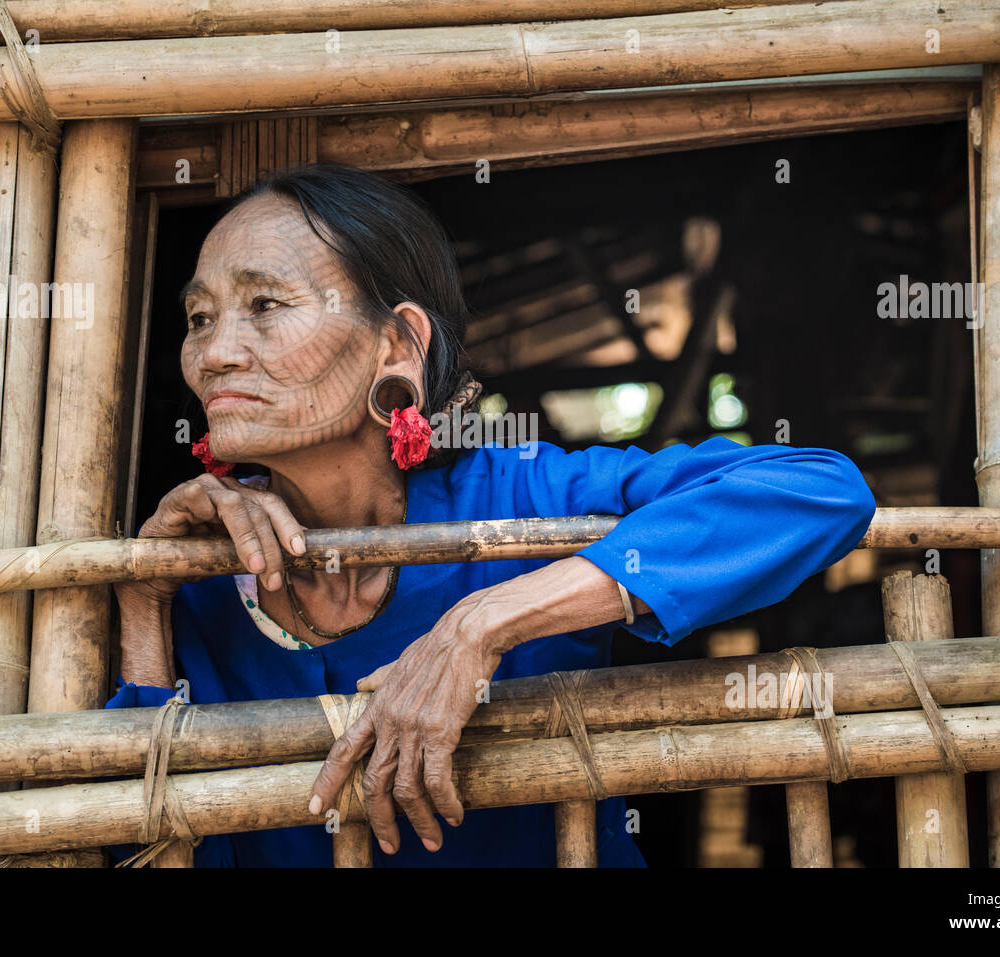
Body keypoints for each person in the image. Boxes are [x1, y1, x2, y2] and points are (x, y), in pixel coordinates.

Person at [107, 162, 876, 867]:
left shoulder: (525, 502)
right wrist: (145, 597)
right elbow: (141, 851)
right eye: (200, 317)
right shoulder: (203, 581)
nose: (213, 353)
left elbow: (819, 494)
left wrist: (484, 622)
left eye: (265, 304)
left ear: (398, 346)